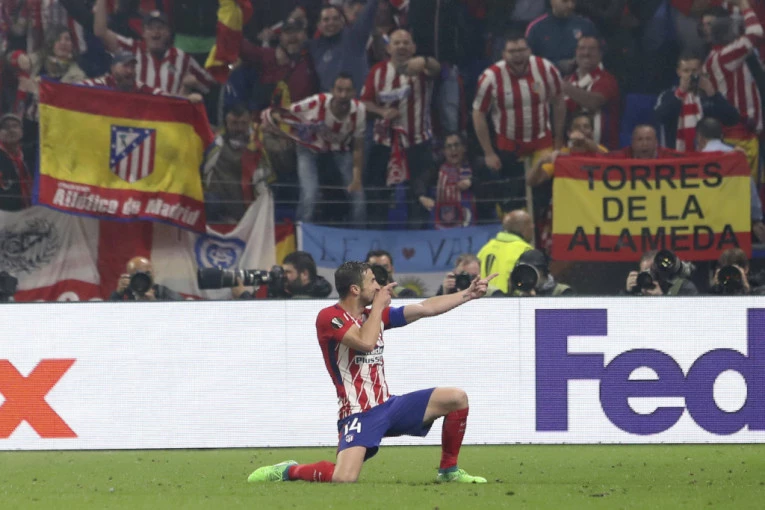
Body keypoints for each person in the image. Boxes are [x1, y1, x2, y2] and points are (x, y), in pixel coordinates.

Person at [247, 261, 497, 484]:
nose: (379, 286)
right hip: (358, 412)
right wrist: (378, 308)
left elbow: (425, 307)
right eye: (373, 281)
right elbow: (365, 342)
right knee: (344, 478)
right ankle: (289, 470)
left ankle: (449, 471)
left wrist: (467, 294)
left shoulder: (373, 316)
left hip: (389, 406)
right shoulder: (329, 317)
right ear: (355, 289)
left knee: (456, 398)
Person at [473, 32, 565, 226]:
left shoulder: (546, 69)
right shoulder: (490, 77)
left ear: (529, 50)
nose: (517, 55)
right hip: (509, 147)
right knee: (511, 202)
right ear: (503, 54)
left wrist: (558, 141)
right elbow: (478, 113)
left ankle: (541, 232)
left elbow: (559, 102)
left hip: (542, 143)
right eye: (512, 51)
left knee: (542, 194)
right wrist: (488, 152)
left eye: (522, 50)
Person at [361, 28, 440, 228]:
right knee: (378, 197)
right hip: (384, 143)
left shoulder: (422, 69)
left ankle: (417, 239)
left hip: (418, 142)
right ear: (388, 48)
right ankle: (377, 239)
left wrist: (425, 60)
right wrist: (381, 111)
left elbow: (436, 69)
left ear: (413, 47)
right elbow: (365, 102)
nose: (401, 47)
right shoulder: (378, 71)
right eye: (396, 43)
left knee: (419, 197)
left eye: (406, 43)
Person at [263, 73, 366, 226]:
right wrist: (283, 130)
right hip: (308, 148)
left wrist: (356, 179)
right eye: (339, 90)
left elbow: (358, 147)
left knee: (358, 196)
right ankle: (301, 233)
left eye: (348, 90)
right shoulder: (316, 102)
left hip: (340, 148)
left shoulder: (359, 110)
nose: (343, 95)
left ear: (354, 93)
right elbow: (281, 112)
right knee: (310, 194)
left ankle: (359, 234)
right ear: (332, 91)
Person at [93, 2, 215, 96]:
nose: (156, 32)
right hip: (137, 115)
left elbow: (210, 82)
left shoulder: (182, 58)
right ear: (143, 32)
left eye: (160, 28)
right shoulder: (132, 48)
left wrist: (189, 85)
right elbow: (100, 32)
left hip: (167, 117)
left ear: (168, 32)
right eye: (150, 28)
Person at [703, 0, 764, 182]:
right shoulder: (726, 56)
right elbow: (756, 32)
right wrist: (745, 6)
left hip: (744, 133)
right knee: (746, 189)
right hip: (738, 136)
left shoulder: (717, 56)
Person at [654, 52, 740, 151]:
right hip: (677, 153)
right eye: (686, 71)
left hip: (708, 154)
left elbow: (732, 120)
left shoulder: (710, 95)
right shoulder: (668, 95)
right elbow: (660, 118)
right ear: (679, 72)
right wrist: (680, 93)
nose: (690, 75)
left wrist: (713, 95)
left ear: (701, 71)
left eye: (694, 70)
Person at [562, 36, 620, 150]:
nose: (586, 53)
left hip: (603, 151)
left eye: (592, 49)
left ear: (600, 54)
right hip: (571, 150)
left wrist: (565, 87)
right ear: (576, 52)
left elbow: (593, 102)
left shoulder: (607, 79)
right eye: (582, 48)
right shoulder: (568, 79)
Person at [418, 133, 476, 229]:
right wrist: (422, 197)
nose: (453, 149)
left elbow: (485, 180)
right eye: (449, 146)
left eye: (456, 145)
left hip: (471, 225)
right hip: (441, 226)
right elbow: (420, 181)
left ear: (464, 148)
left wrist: (471, 181)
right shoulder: (437, 169)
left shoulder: (475, 165)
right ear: (444, 151)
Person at [525, 0, 599, 75]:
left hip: (582, 76)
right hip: (546, 77)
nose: (570, 5)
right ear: (552, 2)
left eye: (573, 2)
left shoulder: (586, 25)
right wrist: (556, 66)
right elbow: (529, 60)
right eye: (565, 1)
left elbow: (597, 54)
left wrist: (580, 62)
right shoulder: (536, 27)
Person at [476, 209, 534, 295]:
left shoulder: (485, 249)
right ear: (524, 228)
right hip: (508, 301)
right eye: (530, 225)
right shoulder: (526, 250)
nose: (533, 228)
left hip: (483, 300)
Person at [232, 250, 332, 299]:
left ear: (304, 274)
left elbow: (266, 319)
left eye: (288, 272)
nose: (283, 276)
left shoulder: (310, 299)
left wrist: (244, 296)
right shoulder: (291, 292)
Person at [624, 250, 699, 296]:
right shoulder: (637, 286)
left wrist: (661, 298)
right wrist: (627, 293)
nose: (650, 276)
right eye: (646, 272)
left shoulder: (683, 287)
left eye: (653, 271)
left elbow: (688, 314)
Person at [110, 256, 184, 301]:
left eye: (146, 274)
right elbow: (110, 315)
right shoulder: (126, 292)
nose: (141, 280)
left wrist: (154, 303)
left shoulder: (163, 293)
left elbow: (181, 312)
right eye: (136, 276)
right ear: (129, 277)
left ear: (153, 273)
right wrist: (118, 294)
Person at [507, 249, 574, 296]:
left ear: (543, 271)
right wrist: (511, 291)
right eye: (522, 272)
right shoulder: (518, 293)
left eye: (530, 272)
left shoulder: (561, 291)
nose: (526, 277)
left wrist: (535, 301)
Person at [0, 114, 32, 211]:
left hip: (31, 210)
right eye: (6, 127)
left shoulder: (29, 153)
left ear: (22, 132)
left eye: (15, 126)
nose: (11, 130)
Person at [611, 125, 683, 159]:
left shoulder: (668, 156)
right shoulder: (621, 156)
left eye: (648, 139)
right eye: (639, 139)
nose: (644, 144)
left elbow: (686, 158)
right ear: (632, 143)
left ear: (656, 142)